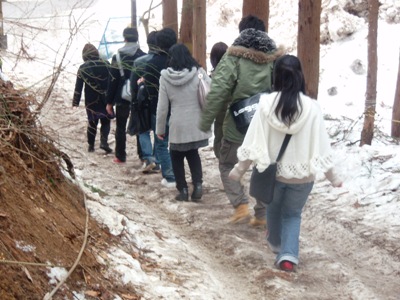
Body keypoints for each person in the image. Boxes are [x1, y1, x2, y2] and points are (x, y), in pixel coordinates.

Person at [228, 54, 343, 272]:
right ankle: (288, 255)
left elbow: (253, 140)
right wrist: (333, 178)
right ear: (300, 76)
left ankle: (276, 243)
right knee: (292, 214)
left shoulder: (264, 105)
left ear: (276, 76)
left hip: (273, 174)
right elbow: (321, 146)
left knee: (273, 207)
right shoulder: (312, 108)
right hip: (303, 177)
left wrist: (239, 169)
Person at [199, 15, 285, 226]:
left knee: (227, 164)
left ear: (241, 32)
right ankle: (262, 213)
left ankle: (241, 205)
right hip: (266, 123)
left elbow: (218, 90)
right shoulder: (275, 57)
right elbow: (286, 86)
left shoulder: (232, 57)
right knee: (264, 166)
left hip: (238, 124)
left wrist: (206, 120)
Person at [156, 43, 211, 201]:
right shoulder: (199, 72)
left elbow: (162, 108)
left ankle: (183, 190)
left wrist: (160, 129)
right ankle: (198, 185)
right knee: (193, 154)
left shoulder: (165, 77)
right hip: (196, 123)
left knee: (176, 155)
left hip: (177, 125)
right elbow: (211, 90)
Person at [141, 28, 177, 188]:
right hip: (179, 109)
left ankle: (170, 176)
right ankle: (180, 173)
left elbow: (149, 91)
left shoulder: (152, 64)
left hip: (160, 109)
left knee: (162, 143)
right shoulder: (180, 61)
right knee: (178, 144)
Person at [106, 27, 145, 163]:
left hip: (122, 96)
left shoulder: (117, 57)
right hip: (139, 96)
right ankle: (143, 155)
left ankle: (120, 155)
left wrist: (109, 102)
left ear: (125, 38)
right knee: (140, 126)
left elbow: (113, 80)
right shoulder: (143, 55)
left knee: (121, 127)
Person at [73, 43, 112, 153]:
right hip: (105, 97)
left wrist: (75, 102)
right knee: (106, 121)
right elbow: (112, 81)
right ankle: (104, 142)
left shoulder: (83, 68)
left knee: (92, 122)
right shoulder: (106, 64)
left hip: (91, 100)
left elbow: (78, 86)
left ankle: (91, 145)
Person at [129, 30, 160, 173]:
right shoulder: (163, 62)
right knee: (158, 131)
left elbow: (133, 86)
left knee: (143, 131)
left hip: (142, 102)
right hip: (158, 101)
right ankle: (158, 159)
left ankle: (148, 158)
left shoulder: (139, 62)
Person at [209, 42, 228, 160]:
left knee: (219, 141)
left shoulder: (213, 77)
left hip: (220, 116)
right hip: (234, 114)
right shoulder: (235, 72)